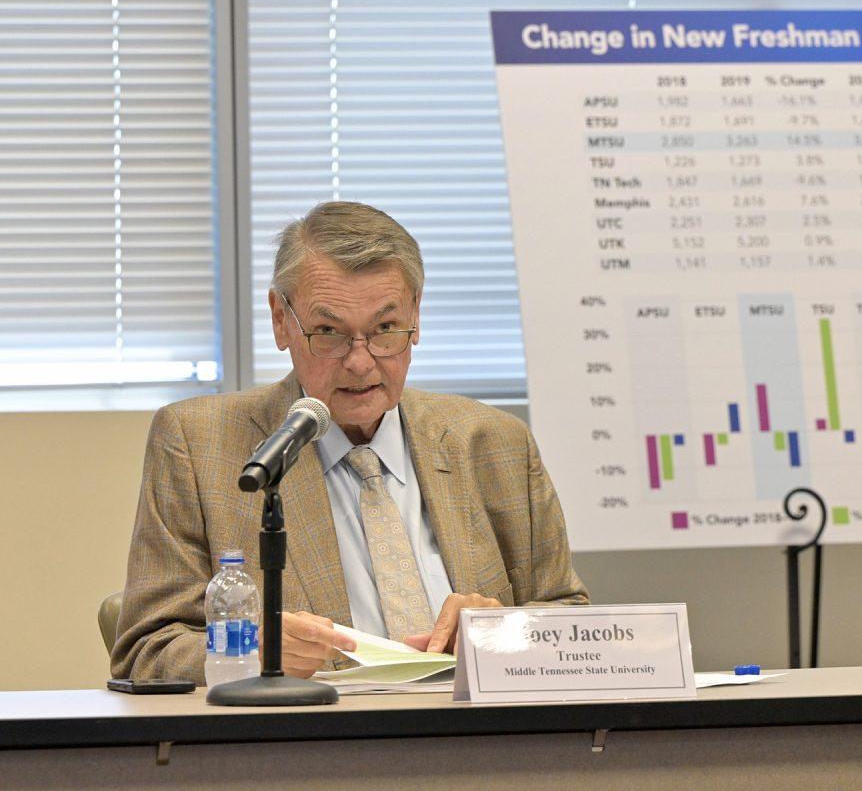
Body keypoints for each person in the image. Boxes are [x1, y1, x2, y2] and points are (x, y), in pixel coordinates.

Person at [111, 201, 588, 683]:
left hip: (480, 745)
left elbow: (570, 621)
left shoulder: (493, 444)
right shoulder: (199, 445)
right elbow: (146, 652)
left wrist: (505, 634)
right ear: (281, 319)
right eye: (329, 332)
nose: (361, 362)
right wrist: (258, 653)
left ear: (416, 315)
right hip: (315, 748)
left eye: (384, 329)